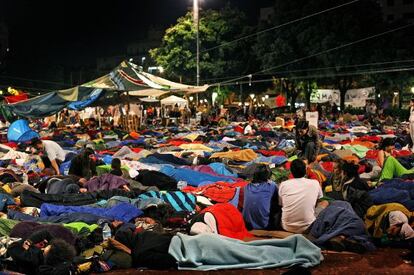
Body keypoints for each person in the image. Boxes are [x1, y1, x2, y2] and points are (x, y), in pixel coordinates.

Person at [278, 159, 324, 233]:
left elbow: (281, 204)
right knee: (324, 202)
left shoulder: (283, 184)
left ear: (291, 172)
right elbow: (318, 200)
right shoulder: (315, 183)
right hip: (309, 226)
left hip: (286, 226)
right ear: (305, 171)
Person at [242, 164, 278, 230]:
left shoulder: (246, 187)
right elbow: (276, 198)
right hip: (263, 225)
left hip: (246, 224)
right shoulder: (271, 186)